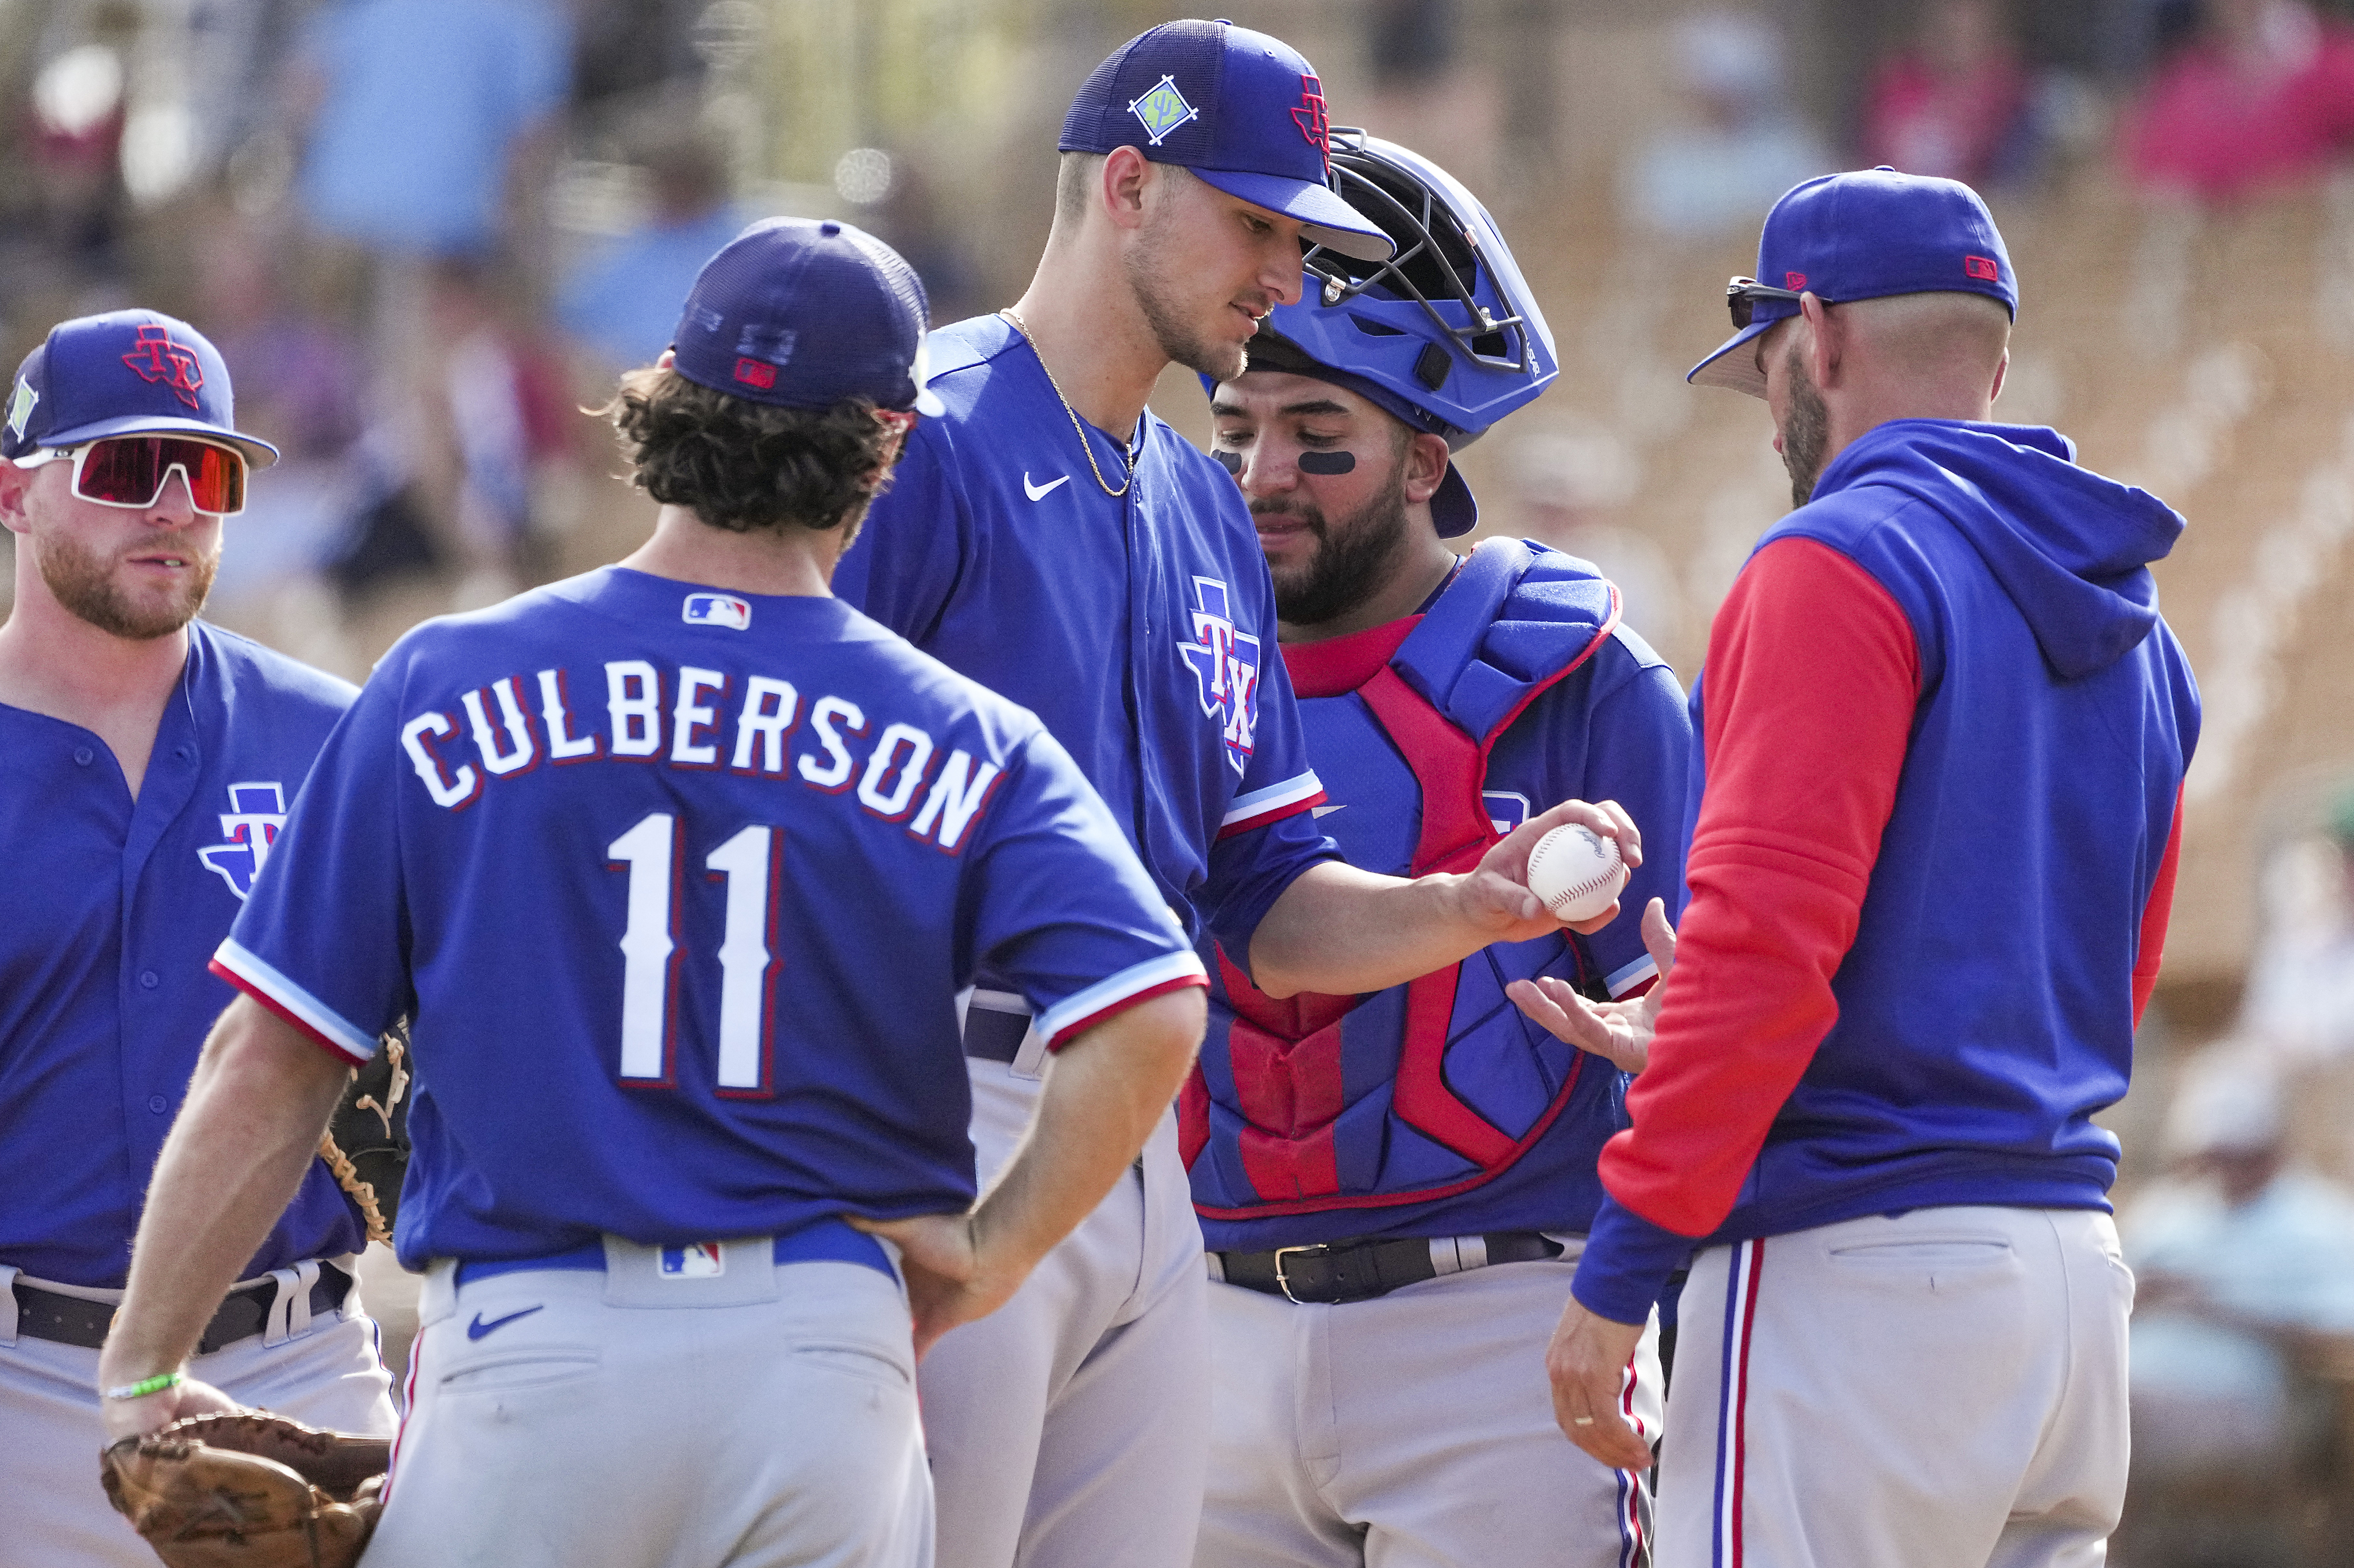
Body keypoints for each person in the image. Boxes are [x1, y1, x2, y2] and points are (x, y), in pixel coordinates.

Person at [93, 218, 1212, 1568]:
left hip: (532, 1350)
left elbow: (271, 1060)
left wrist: (145, 1372)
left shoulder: (449, 681)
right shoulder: (960, 732)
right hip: (819, 1365)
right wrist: (990, 1252)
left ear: (663, 402)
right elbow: (1150, 1008)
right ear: (888, 445)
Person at [833, 21, 1637, 1568]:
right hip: (948, 1102)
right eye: (1256, 223)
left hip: (1142, 1153)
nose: (1285, 272)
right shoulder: (923, 437)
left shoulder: (1203, 505)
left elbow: (1263, 903)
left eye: (1299, 233)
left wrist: (1466, 904)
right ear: (1128, 185)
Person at [1531, 168, 2200, 1568]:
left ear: (1817, 337)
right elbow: (2097, 980)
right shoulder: (2141, 632)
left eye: (1769, 362)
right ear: (1994, 360)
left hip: (1858, 1279)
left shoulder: (1833, 560)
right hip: (2070, 1283)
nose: (1773, 404)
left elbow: (1767, 956)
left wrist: (1622, 1269)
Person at [1191, 132, 1693, 1568]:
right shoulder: (1163, 663)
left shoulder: (1580, 678)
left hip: (1493, 1330)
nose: (1265, 472)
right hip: (1201, 1317)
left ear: (1424, 456)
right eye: (1241, 430)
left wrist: (1660, 1036)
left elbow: (1689, 998)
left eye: (1316, 436)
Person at [0, 309, 392, 1565]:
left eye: (207, 471)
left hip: (303, 1377)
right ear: (15, 492)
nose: (172, 505)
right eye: (124, 469)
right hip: (22, 1381)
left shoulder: (337, 738)